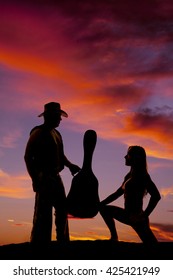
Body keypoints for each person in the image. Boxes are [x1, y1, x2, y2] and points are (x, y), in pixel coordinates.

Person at [24, 102, 81, 244]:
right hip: (44, 177)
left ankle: (62, 240)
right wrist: (35, 179)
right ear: (50, 116)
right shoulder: (38, 132)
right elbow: (27, 157)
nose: (60, 119)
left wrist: (69, 165)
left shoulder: (57, 134)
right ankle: (41, 244)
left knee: (62, 210)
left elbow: (61, 155)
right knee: (43, 213)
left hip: (56, 177)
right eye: (58, 116)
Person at [100, 145, 161, 244]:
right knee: (104, 209)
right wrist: (100, 204)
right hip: (127, 214)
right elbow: (118, 193)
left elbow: (156, 196)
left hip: (137, 217)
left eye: (128, 155)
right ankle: (114, 237)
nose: (125, 157)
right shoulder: (129, 176)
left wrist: (144, 215)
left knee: (152, 245)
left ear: (135, 158)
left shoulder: (143, 175)